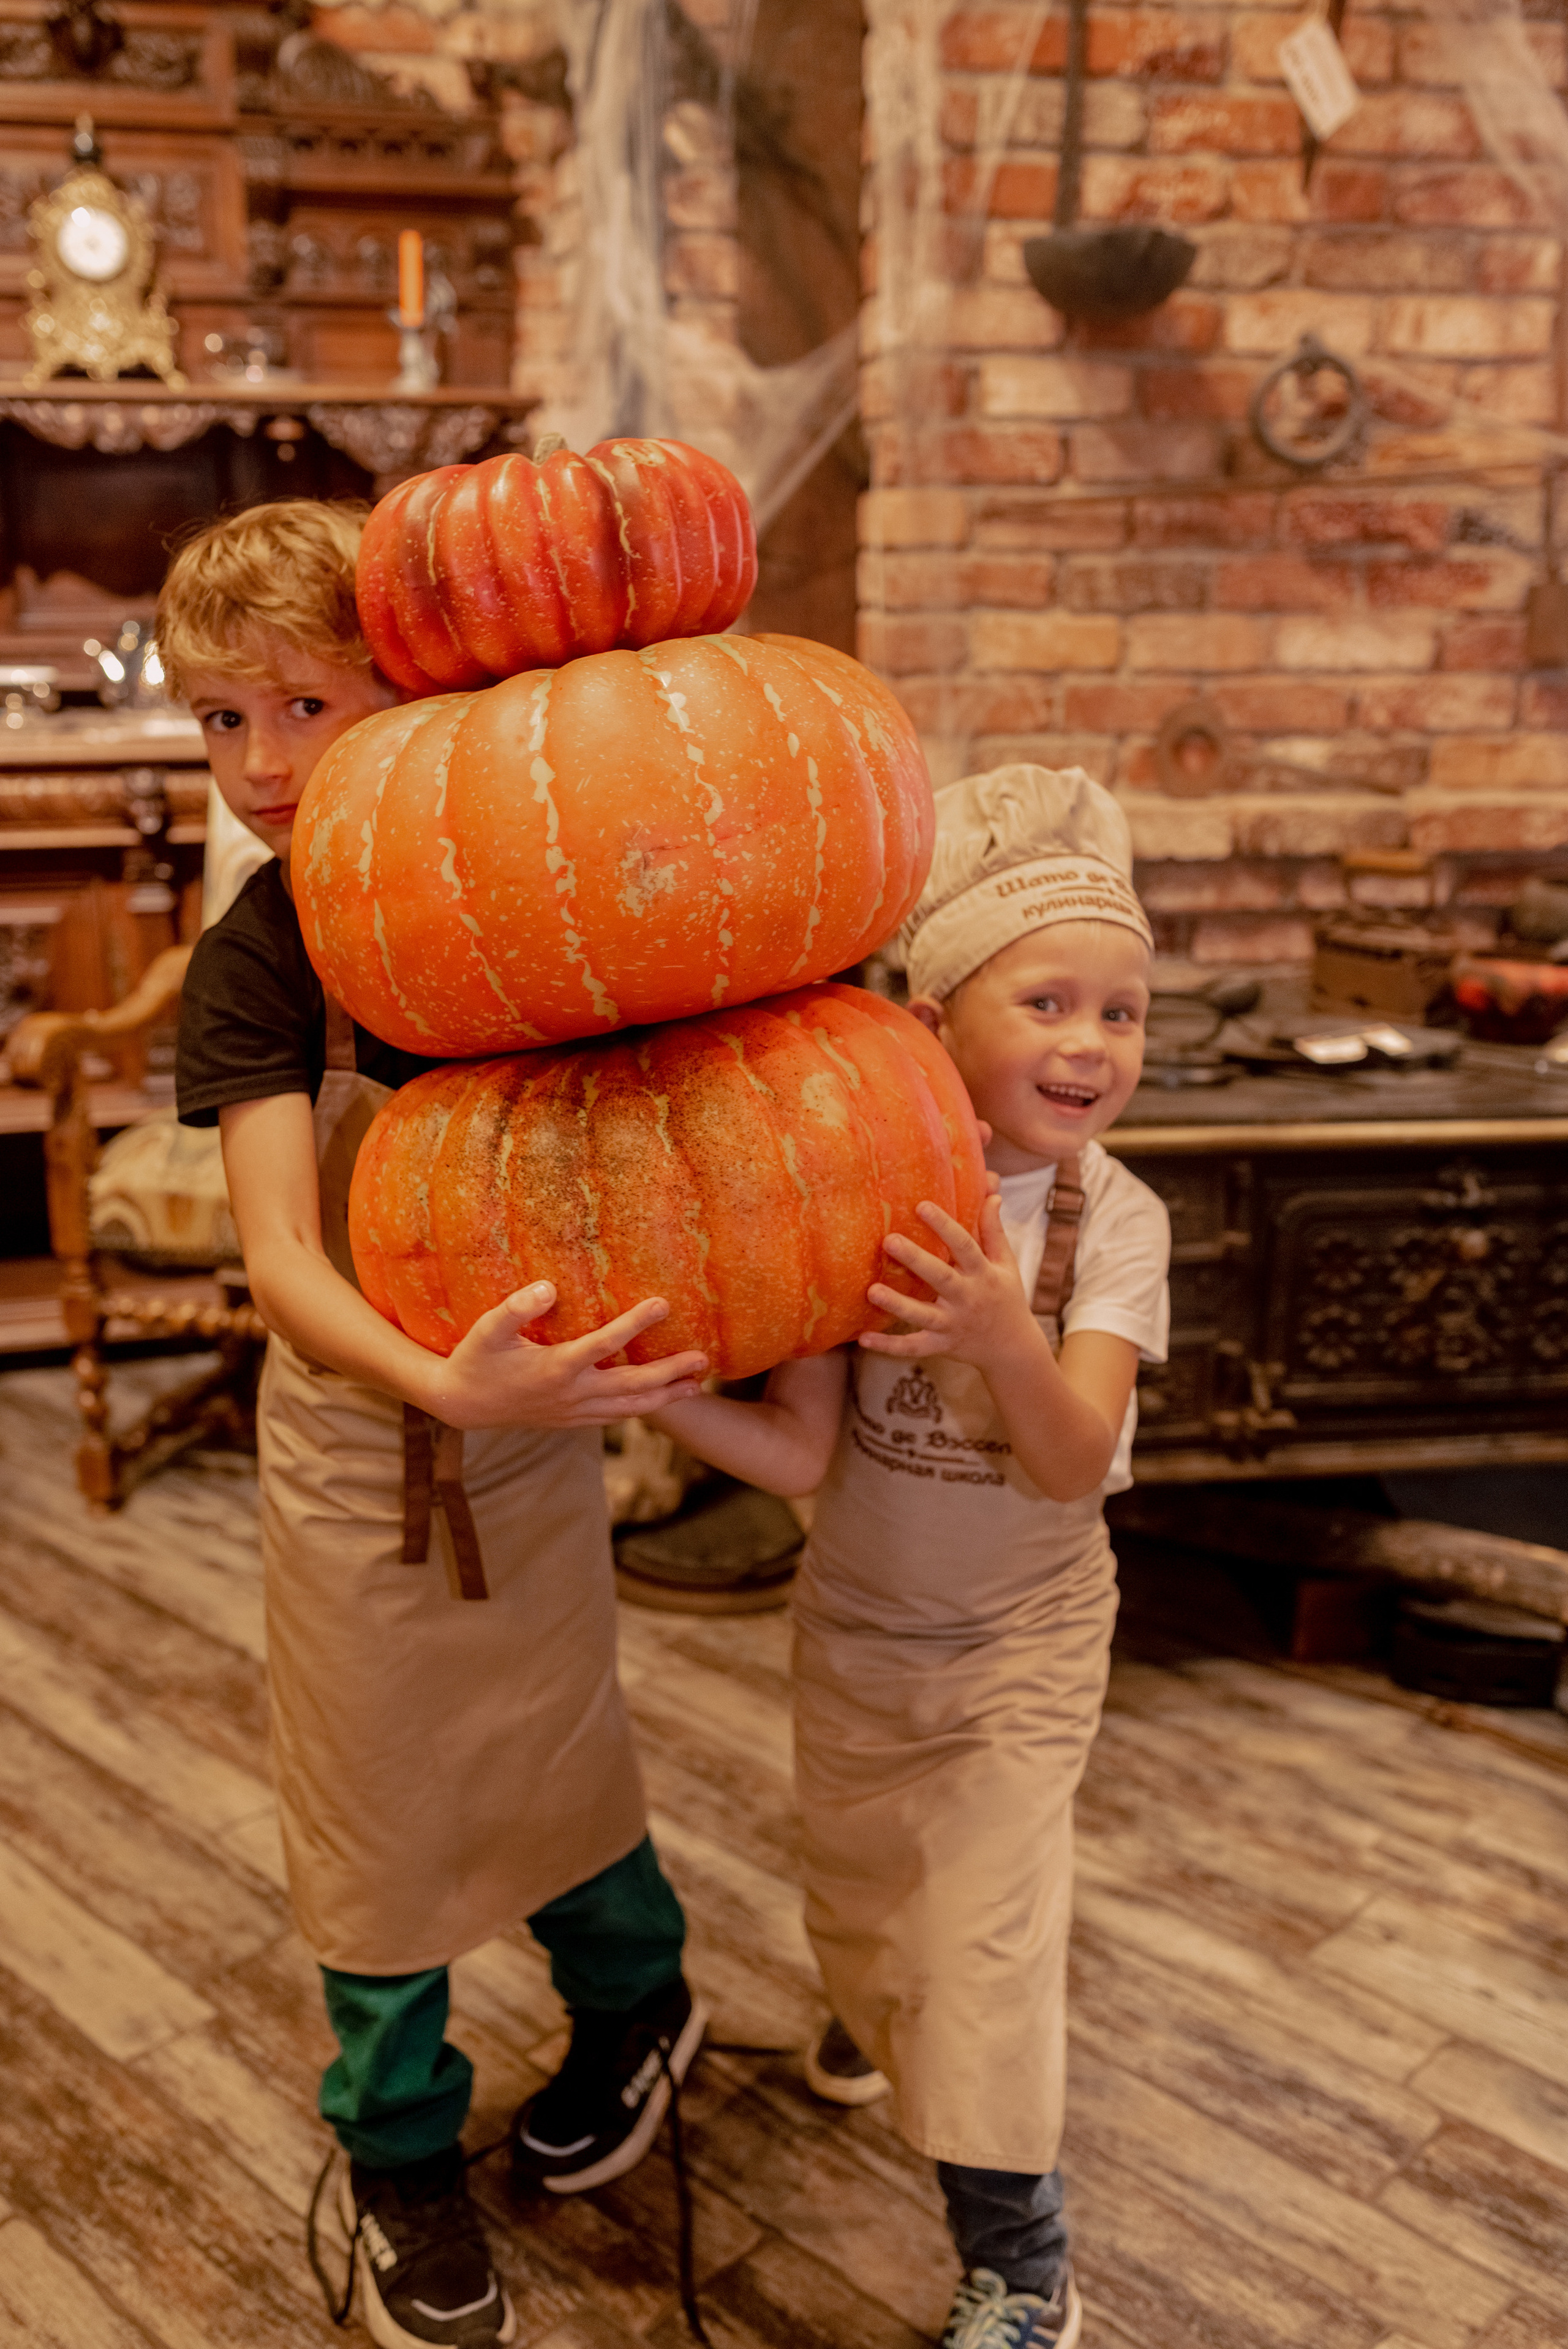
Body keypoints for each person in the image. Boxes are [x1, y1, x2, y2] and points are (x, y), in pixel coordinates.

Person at [165, 502, 710, 2349]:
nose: (257, 765)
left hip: (530, 1422)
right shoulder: (261, 954)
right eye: (218, 723)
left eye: (299, 706)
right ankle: (399, 2138)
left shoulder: (517, 901)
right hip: (353, 1436)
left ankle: (641, 1996)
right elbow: (276, 1255)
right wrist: (433, 1382)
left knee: (563, 1744)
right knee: (375, 1805)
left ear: (411, 687)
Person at [649, 765, 1170, 2349]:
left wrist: (1001, 1330)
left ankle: (1023, 2257)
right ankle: (876, 2006)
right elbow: (803, 1450)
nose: (1090, 1043)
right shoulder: (858, 1191)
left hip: (1022, 1638)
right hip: (862, 1625)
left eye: (1125, 1013)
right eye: (1050, 1001)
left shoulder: (1113, 1221)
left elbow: (1075, 1457)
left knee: (990, 1938)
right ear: (935, 1014)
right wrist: (665, 1394)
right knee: (869, 1895)